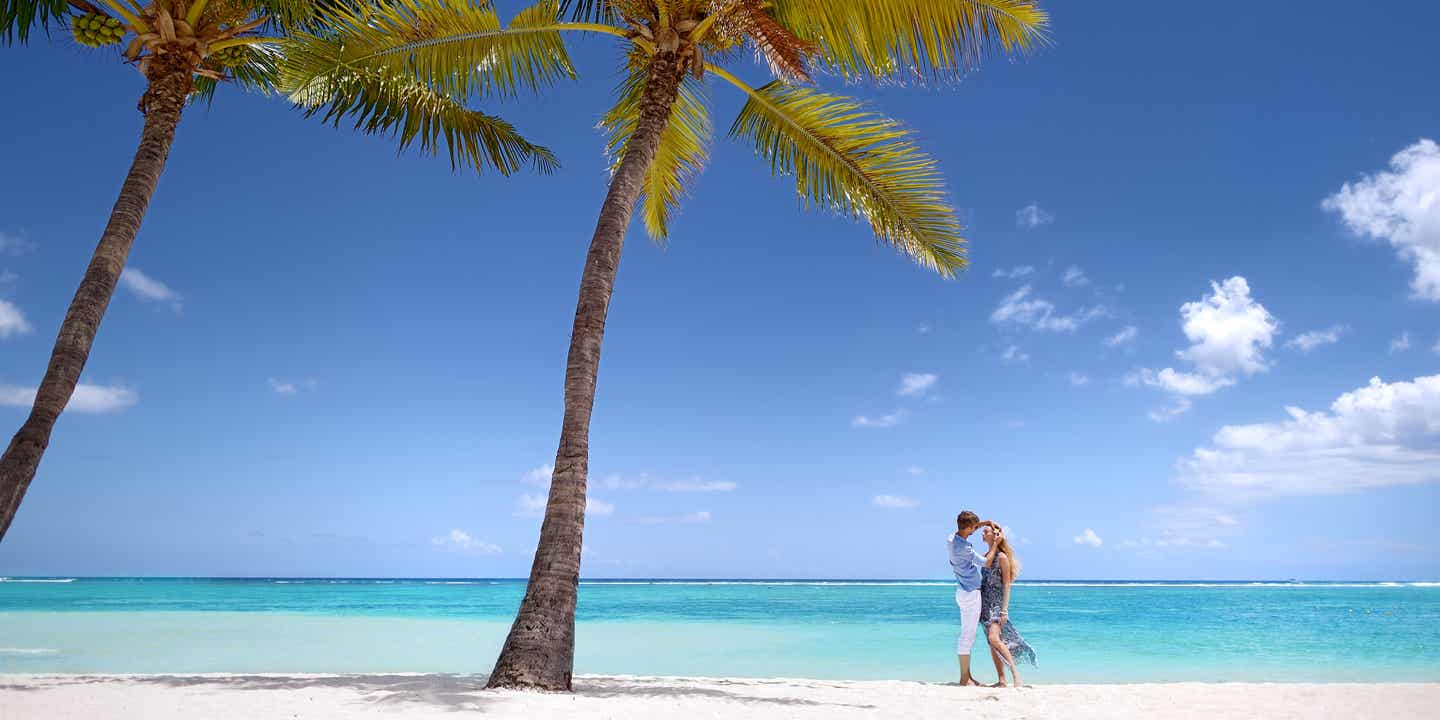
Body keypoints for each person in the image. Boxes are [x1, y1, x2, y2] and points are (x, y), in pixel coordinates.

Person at [980, 525, 1036, 688]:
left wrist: (1004, 609)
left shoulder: (1002, 557)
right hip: (984, 606)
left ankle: (1016, 676)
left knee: (994, 638)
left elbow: (1007, 584)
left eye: (986, 532)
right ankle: (1002, 680)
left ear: (995, 536)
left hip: (997, 606)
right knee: (992, 643)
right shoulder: (985, 557)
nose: (982, 533)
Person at [947, 511, 998, 686]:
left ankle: (967, 677)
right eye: (973, 529)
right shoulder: (965, 549)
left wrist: (985, 522)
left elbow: (968, 527)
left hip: (963, 591)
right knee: (967, 636)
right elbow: (986, 562)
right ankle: (964, 678)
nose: (974, 532)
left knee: (967, 635)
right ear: (967, 527)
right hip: (970, 593)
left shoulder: (951, 539)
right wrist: (995, 545)